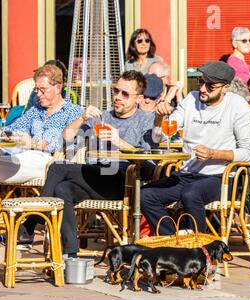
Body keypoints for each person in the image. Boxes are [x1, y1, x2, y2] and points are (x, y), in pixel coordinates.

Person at [19, 70, 156, 256]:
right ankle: (71, 254)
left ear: (139, 98)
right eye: (116, 91)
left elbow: (149, 166)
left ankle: (32, 222)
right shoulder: (102, 117)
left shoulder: (146, 121)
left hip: (123, 182)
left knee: (58, 168)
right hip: (94, 177)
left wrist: (120, 143)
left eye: (125, 94)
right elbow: (66, 138)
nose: (118, 97)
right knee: (62, 190)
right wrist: (82, 118)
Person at [141, 61, 250, 235]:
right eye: (201, 82)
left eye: (210, 86)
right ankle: (174, 241)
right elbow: (159, 137)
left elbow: (248, 153)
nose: (202, 89)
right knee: (145, 195)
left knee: (191, 193)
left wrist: (214, 154)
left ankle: (199, 252)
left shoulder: (237, 105)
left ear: (225, 88)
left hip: (221, 177)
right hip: (187, 174)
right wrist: (159, 117)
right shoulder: (191, 100)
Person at [0, 64, 82, 185]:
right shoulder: (36, 110)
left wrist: (33, 143)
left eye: (43, 89)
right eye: (36, 89)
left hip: (49, 160)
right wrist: (5, 134)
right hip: (24, 153)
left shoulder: (73, 112)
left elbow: (65, 145)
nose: (38, 94)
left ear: (58, 88)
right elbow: (14, 128)